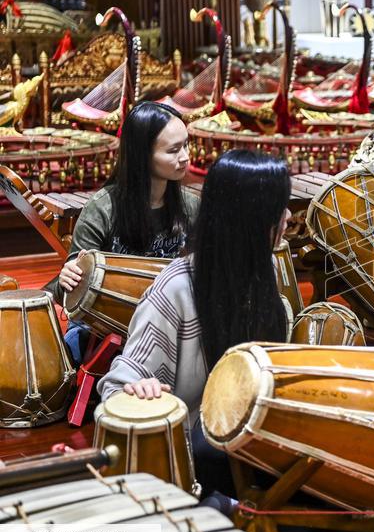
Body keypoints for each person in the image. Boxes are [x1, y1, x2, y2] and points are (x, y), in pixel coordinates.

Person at [97, 149, 292, 503]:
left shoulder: (266, 272)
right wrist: (136, 390)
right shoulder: (176, 288)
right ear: (251, 219)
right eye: (279, 210)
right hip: (196, 462)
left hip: (253, 446)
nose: (288, 217)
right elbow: (115, 387)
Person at [55, 101, 198, 362]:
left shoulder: (190, 207)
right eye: (174, 150)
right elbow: (64, 290)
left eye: (186, 145)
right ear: (142, 155)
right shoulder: (102, 209)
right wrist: (67, 278)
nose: (185, 157)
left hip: (169, 322)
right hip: (104, 330)